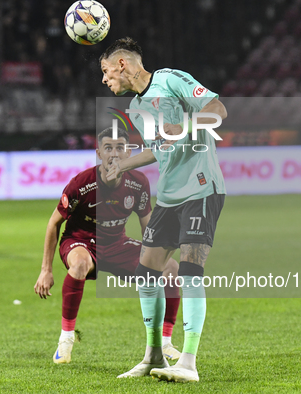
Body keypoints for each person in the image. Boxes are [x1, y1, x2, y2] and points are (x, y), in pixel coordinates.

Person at [100, 37, 228, 382]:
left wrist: (185, 126)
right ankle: (153, 354)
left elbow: (217, 112)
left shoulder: (171, 80)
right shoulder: (135, 109)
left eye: (106, 70)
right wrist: (123, 165)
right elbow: (160, 148)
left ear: (123, 64)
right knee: (147, 273)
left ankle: (188, 361)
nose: (104, 79)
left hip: (201, 187)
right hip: (170, 196)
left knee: (189, 270)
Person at [34, 127, 181, 364]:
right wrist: (46, 270)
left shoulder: (138, 182)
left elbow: (148, 229)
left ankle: (164, 343)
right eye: (108, 148)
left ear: (129, 152)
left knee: (171, 268)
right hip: (80, 241)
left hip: (117, 244)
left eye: (120, 147)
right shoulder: (81, 184)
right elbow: (53, 224)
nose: (114, 153)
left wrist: (156, 259)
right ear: (99, 153)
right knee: (80, 263)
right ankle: (66, 339)